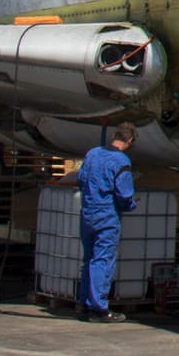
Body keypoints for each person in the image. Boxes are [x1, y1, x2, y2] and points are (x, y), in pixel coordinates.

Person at [76, 122, 138, 323]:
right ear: (129, 140)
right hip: (106, 217)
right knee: (102, 261)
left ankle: (85, 304)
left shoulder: (92, 153)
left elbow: (82, 178)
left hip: (87, 214)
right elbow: (123, 194)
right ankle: (99, 308)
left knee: (88, 260)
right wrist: (130, 205)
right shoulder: (121, 162)